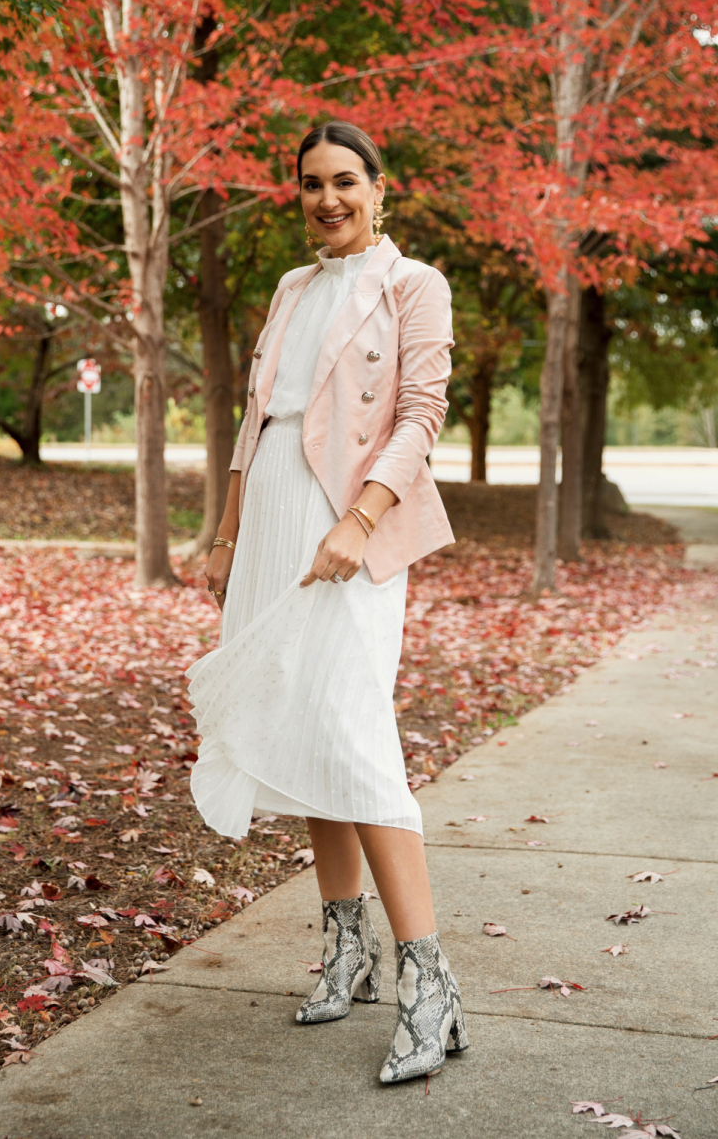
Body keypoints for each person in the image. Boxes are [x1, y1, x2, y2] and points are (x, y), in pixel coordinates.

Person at [187, 121, 466, 1084]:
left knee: (352, 734)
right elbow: (255, 416)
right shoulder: (292, 288)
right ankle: (346, 951)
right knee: (302, 729)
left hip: (349, 526)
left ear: (380, 189)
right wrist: (224, 536)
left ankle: (432, 985)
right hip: (269, 519)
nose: (328, 198)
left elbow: (421, 414)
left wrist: (360, 517)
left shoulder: (412, 284)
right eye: (311, 184)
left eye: (346, 181)